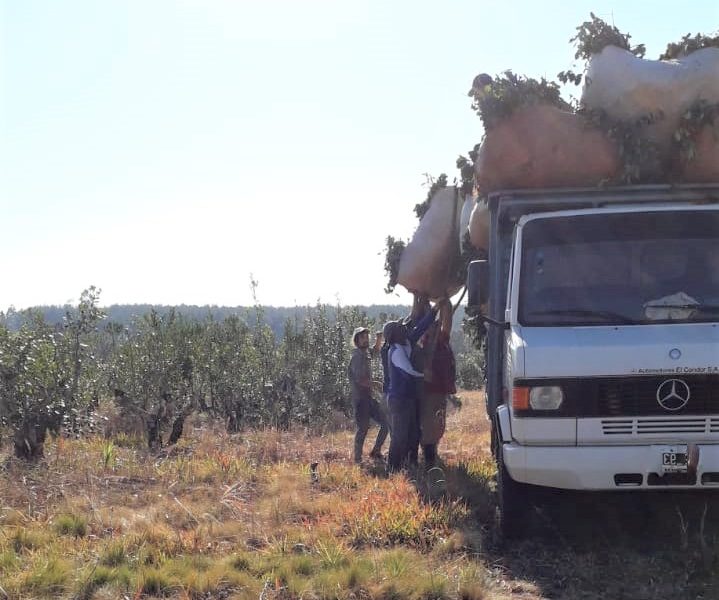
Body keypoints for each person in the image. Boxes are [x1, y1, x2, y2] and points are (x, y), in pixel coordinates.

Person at [418, 298, 456, 466]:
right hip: (429, 391)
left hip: (440, 390)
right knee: (429, 423)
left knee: (439, 422)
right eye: (434, 326)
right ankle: (428, 457)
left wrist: (444, 301)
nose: (438, 327)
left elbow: (447, 318)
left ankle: (432, 453)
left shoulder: (442, 340)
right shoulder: (425, 342)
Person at [385, 320, 424, 472]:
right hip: (399, 400)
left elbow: (420, 328)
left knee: (413, 433)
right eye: (400, 328)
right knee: (400, 436)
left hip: (408, 398)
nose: (404, 329)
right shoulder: (396, 351)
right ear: (394, 335)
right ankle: (393, 467)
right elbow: (408, 372)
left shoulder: (405, 344)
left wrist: (434, 311)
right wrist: (423, 376)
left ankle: (410, 464)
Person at [348, 326, 389, 464]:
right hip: (360, 400)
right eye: (362, 338)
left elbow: (375, 351)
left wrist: (378, 339)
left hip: (368, 398)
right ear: (357, 340)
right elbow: (360, 380)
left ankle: (376, 451)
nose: (366, 340)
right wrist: (375, 384)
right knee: (363, 429)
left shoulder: (365, 353)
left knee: (386, 422)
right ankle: (358, 460)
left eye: (367, 337)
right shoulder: (357, 357)